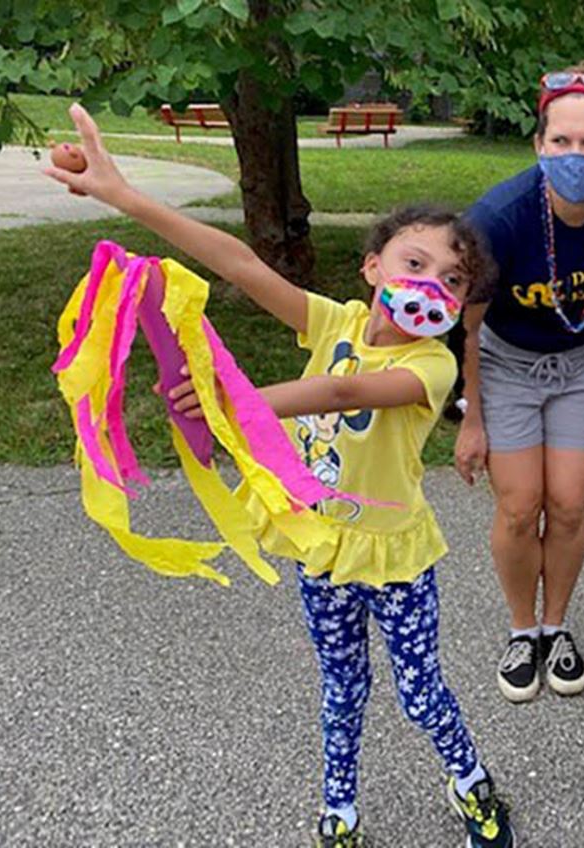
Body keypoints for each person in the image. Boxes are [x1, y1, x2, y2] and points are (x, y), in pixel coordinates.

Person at [45, 105, 515, 848]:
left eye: (452, 280)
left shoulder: (432, 363)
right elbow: (239, 265)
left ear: (458, 306)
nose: (431, 284)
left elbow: (344, 393)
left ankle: (470, 783)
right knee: (341, 689)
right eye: (415, 263)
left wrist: (235, 403)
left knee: (422, 695)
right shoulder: (330, 323)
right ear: (372, 267)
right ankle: (340, 809)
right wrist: (124, 196)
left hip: (394, 556)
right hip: (319, 546)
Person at [455, 63, 584, 703]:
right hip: (505, 364)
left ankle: (556, 625)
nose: (575, 155)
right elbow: (467, 326)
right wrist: (472, 417)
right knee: (518, 506)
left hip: (582, 363)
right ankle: (521, 629)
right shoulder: (498, 218)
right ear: (538, 144)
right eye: (560, 142)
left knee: (566, 503)